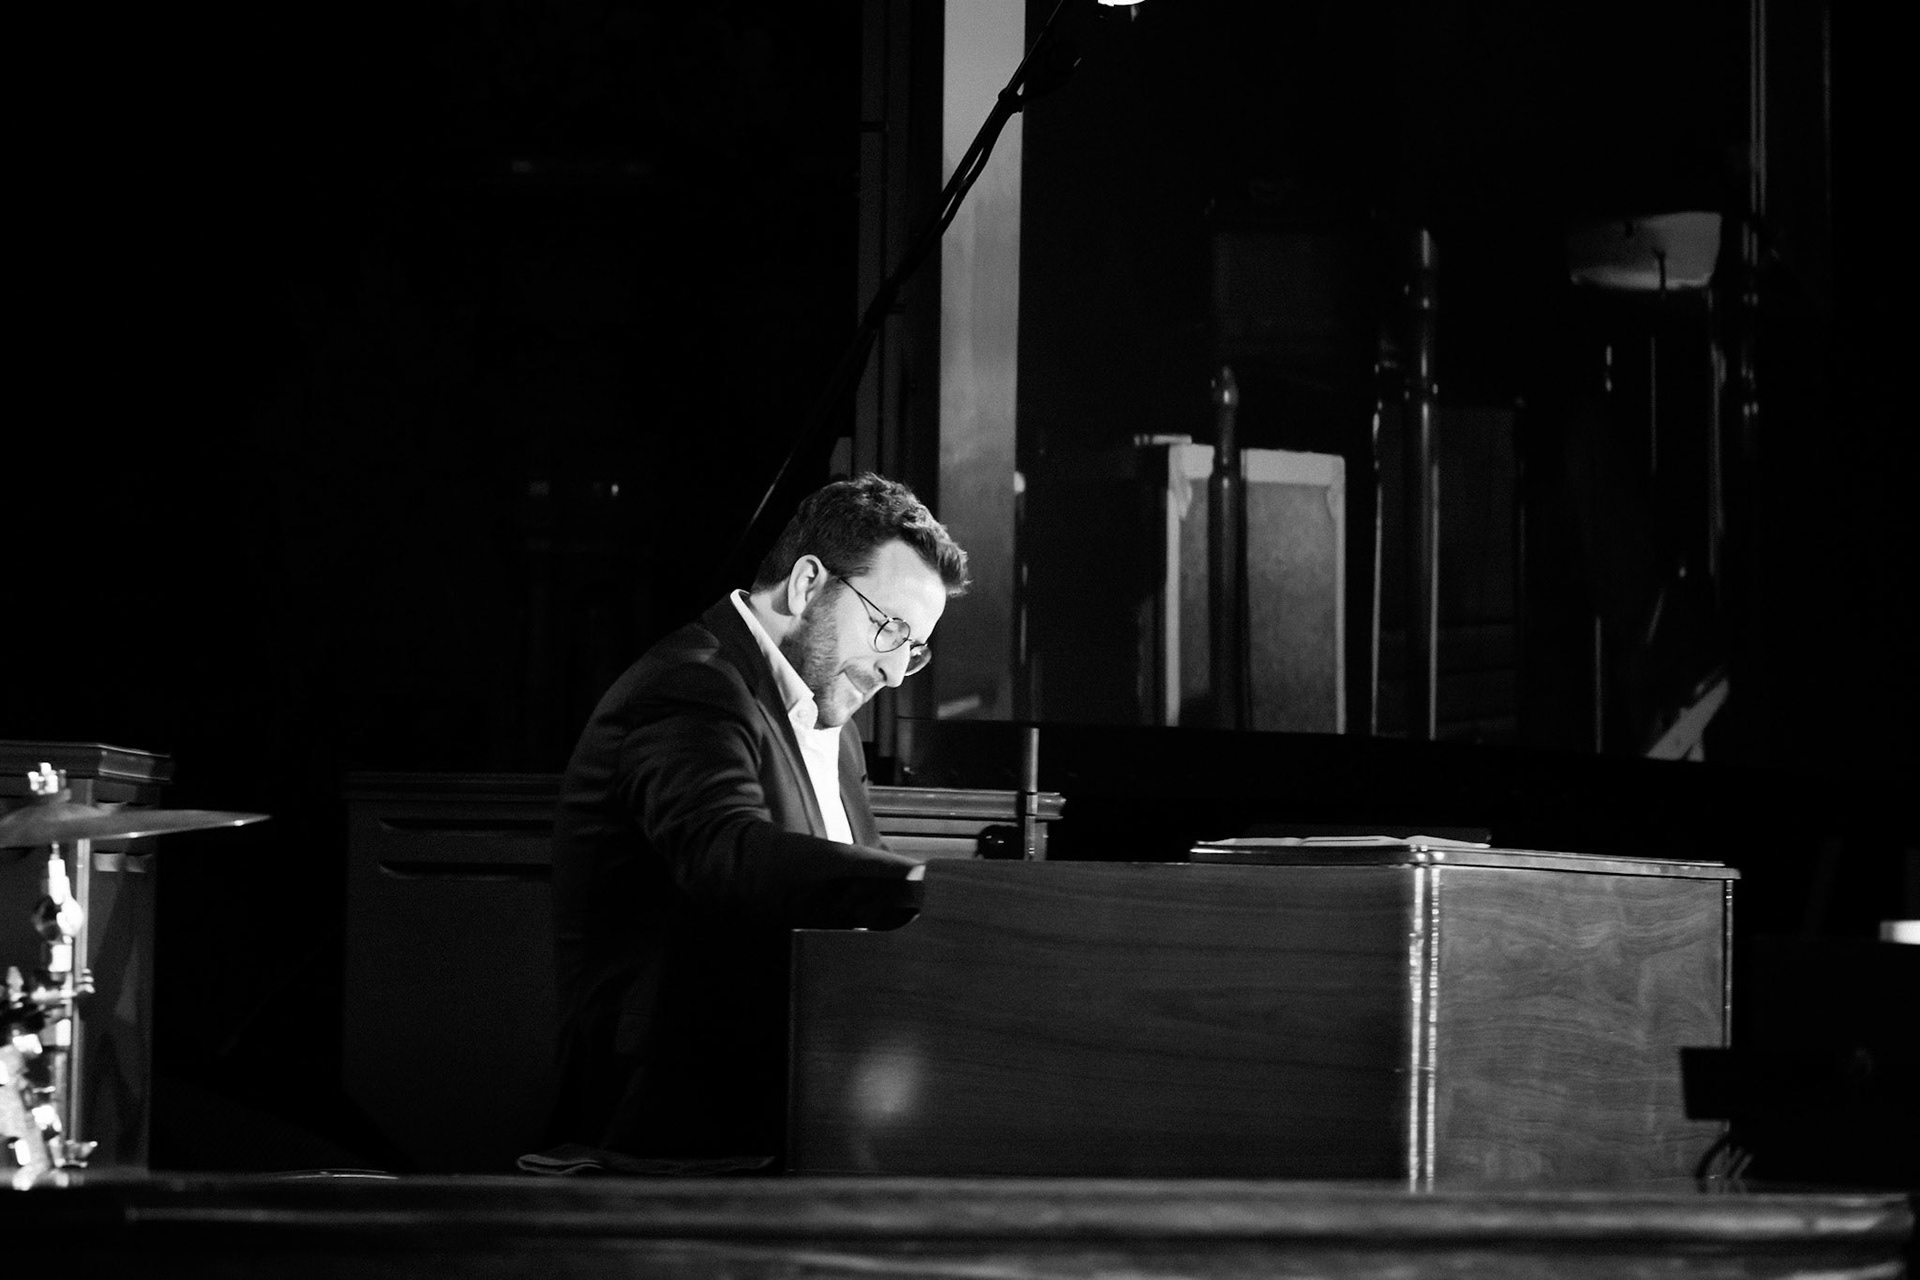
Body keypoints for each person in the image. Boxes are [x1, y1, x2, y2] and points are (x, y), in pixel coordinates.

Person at [547, 473, 969, 1161]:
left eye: (913, 649)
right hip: (672, 1148)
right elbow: (727, 851)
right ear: (807, 583)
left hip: (797, 1118)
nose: (895, 672)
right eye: (889, 628)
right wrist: (926, 885)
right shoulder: (690, 687)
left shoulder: (833, 720)